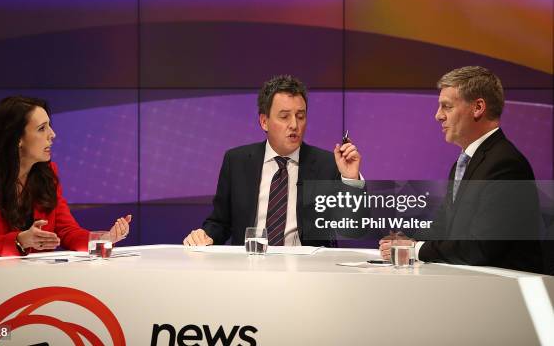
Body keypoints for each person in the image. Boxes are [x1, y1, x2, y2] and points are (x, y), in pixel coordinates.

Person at [379, 66, 544, 273]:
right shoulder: (464, 162)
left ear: (478, 108)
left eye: (446, 107)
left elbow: (481, 247)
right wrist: (406, 240)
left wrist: (415, 249)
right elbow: (445, 227)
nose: (438, 116)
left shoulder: (505, 164)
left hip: (505, 294)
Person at [183, 75, 365, 247]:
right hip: (250, 268)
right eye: (284, 116)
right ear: (264, 121)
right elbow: (220, 223)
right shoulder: (236, 161)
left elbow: (352, 227)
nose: (294, 125)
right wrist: (204, 236)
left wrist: (351, 180)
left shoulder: (326, 164)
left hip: (307, 272)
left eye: (300, 116)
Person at [0, 96, 132, 257]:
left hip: (36, 278)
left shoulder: (47, 173)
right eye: (42, 128)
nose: (52, 134)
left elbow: (67, 231)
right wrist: (20, 241)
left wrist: (105, 240)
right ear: (17, 138)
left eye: (49, 126)